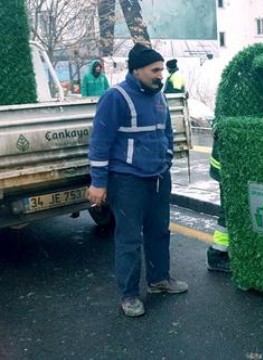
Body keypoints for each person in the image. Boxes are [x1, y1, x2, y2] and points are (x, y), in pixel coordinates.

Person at [87, 43, 188, 318]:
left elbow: (166, 132)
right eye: (155, 70)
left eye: (161, 70)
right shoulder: (115, 97)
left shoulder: (159, 96)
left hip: (158, 177)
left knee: (159, 231)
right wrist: (98, 182)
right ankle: (129, 295)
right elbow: (100, 142)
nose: (161, 75)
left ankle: (158, 281)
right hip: (127, 180)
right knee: (129, 239)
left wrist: (166, 160)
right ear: (137, 70)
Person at [207, 132, 231, 272]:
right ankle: (216, 254)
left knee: (228, 211)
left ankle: (219, 252)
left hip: (223, 166)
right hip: (224, 168)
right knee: (227, 212)